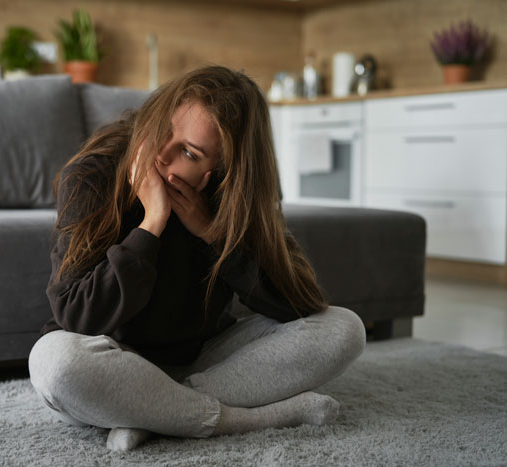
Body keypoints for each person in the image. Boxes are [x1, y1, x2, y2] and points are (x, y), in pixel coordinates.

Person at [28, 65, 366, 452]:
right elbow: (76, 316)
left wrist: (214, 234)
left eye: (188, 152)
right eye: (163, 130)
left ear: (220, 173)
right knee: (55, 365)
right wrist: (150, 226)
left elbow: (300, 304)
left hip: (201, 361)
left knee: (344, 329)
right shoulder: (93, 172)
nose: (161, 153)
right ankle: (239, 418)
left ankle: (155, 413)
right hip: (110, 361)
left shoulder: (230, 199)